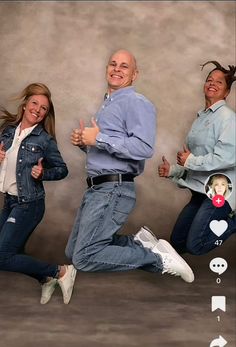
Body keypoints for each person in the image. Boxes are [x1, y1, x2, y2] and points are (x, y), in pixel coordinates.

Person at [65, 49, 194, 283]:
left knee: (84, 257)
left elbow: (143, 148)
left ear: (134, 75)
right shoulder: (109, 104)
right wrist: (86, 143)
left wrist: (98, 139)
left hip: (113, 190)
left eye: (124, 66)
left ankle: (159, 260)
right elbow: (111, 149)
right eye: (113, 64)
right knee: (72, 251)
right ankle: (140, 243)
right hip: (97, 189)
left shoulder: (136, 102)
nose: (116, 69)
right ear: (106, 69)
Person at [0, 83, 77, 304]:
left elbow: (62, 169)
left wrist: (43, 173)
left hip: (29, 204)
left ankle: (60, 271)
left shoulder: (44, 139)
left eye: (44, 108)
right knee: (9, 253)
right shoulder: (8, 132)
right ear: (25, 105)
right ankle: (45, 277)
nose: (38, 109)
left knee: (3, 256)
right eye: (35, 103)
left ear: (46, 114)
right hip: (10, 202)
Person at [158, 61, 236, 255]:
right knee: (177, 243)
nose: (212, 83)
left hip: (220, 191)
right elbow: (195, 160)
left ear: (226, 92)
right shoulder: (201, 118)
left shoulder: (228, 118)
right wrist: (174, 170)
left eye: (219, 82)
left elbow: (225, 159)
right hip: (200, 189)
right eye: (209, 80)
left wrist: (190, 160)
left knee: (195, 245)